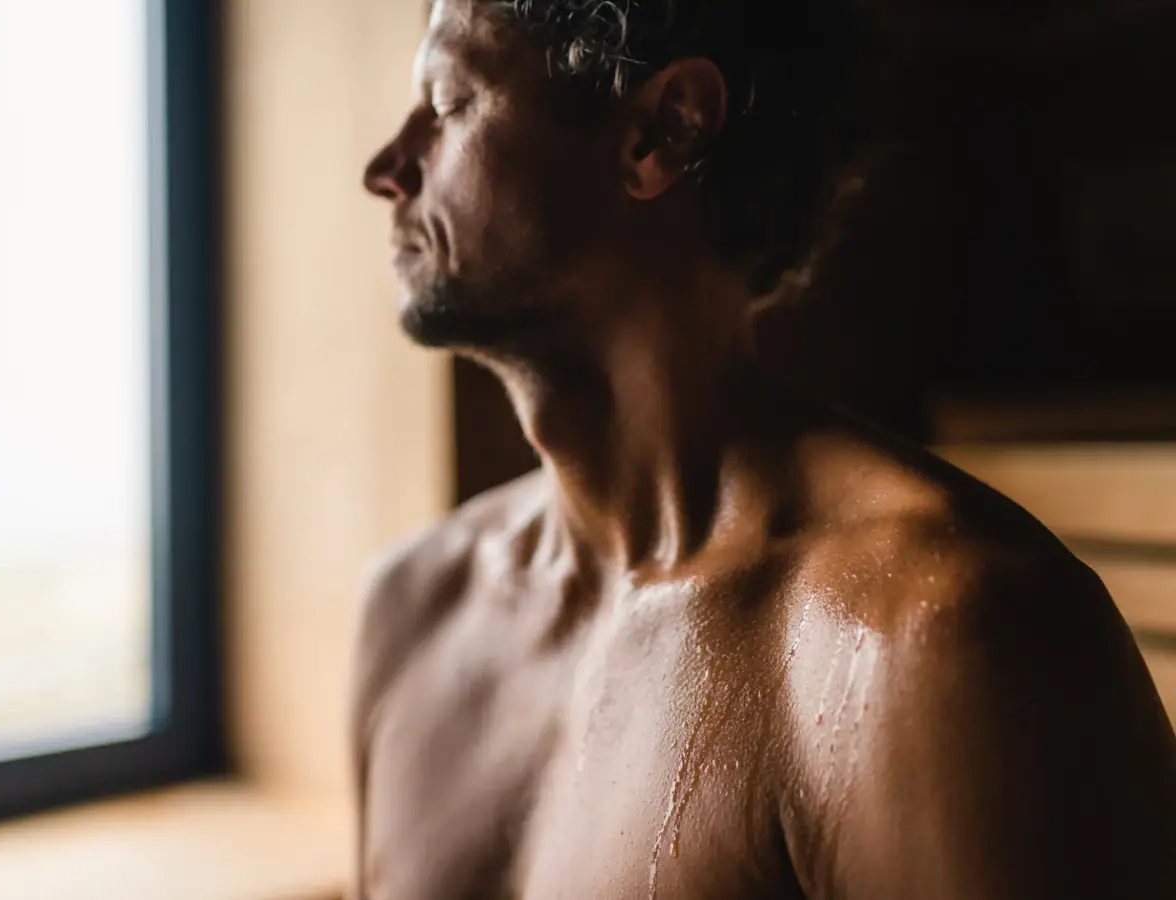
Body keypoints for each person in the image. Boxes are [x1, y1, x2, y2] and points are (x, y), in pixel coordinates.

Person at [351, 1, 1176, 897]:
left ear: (661, 130)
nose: (387, 169)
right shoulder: (411, 610)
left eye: (446, 100)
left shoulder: (938, 644)